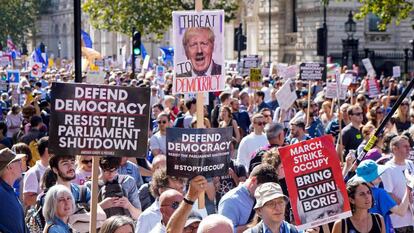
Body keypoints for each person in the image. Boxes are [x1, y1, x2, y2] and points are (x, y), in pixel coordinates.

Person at [351, 159, 411, 233]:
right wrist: (408, 188)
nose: (380, 175)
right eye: (376, 174)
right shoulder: (380, 193)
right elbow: (401, 211)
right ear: (369, 178)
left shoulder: (355, 193)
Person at [218, 164, 278, 233]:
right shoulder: (230, 201)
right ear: (253, 180)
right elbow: (225, 231)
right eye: (263, 189)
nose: (265, 193)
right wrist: (257, 225)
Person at [380, 135, 414, 232]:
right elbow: (388, 194)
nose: (409, 149)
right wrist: (407, 204)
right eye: (405, 146)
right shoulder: (387, 168)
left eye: (409, 146)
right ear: (395, 149)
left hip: (412, 219)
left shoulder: (410, 164)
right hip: (399, 221)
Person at [0, 148, 28, 233]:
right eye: (18, 161)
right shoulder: (1, 192)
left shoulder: (8, 190)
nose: (21, 163)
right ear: (9, 167)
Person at [23, 136, 49, 207]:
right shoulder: (33, 173)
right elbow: (27, 200)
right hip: (40, 216)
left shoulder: (58, 170)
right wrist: (51, 198)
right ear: (46, 150)